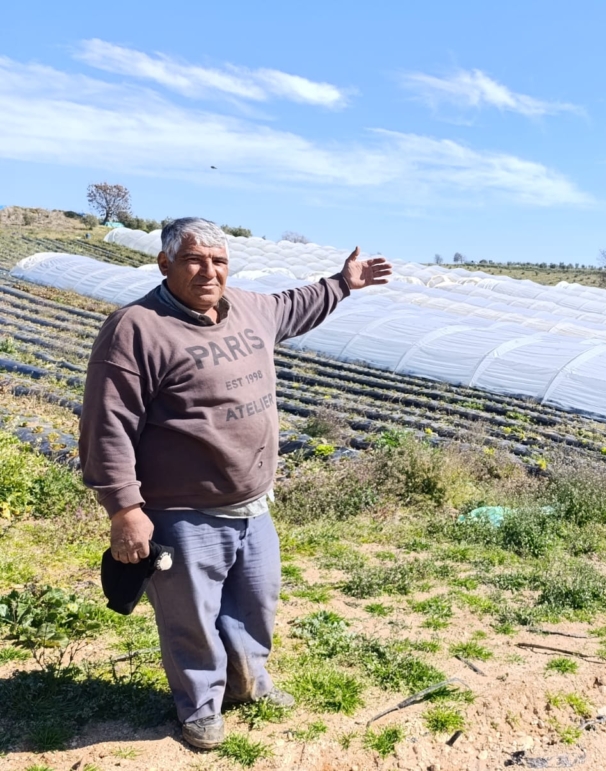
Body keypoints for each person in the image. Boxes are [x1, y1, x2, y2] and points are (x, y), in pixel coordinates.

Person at [79, 217, 391, 749]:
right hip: (182, 510)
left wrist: (343, 283)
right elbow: (107, 425)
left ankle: (248, 685)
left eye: (219, 261)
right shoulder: (136, 329)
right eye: (194, 260)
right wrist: (125, 509)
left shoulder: (248, 308)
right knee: (192, 619)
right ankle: (200, 707)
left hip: (253, 504)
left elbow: (295, 305)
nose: (209, 272)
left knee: (254, 605)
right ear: (164, 263)